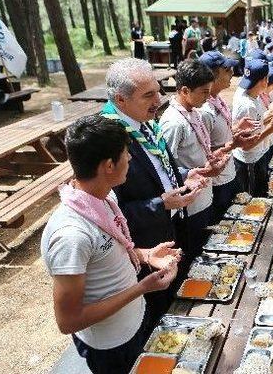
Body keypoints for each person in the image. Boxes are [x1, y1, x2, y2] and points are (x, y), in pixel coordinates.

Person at [41, 115, 181, 374]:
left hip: (134, 320)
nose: (130, 159)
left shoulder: (103, 198)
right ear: (108, 166)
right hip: (111, 344)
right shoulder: (71, 235)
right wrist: (141, 288)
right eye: (127, 154)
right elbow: (68, 320)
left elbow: (108, 253)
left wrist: (147, 254)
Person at [100, 58, 208, 330]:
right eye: (148, 95)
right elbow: (108, 213)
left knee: (174, 299)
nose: (159, 100)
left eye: (158, 90)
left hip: (171, 228)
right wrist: (158, 204)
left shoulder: (145, 121)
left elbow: (160, 168)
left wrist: (184, 176)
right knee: (155, 315)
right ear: (120, 100)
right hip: (144, 244)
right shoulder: (108, 137)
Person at [160, 60, 229, 255]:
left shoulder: (193, 113)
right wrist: (207, 170)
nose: (208, 98)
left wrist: (215, 158)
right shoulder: (173, 123)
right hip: (190, 206)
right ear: (184, 91)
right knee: (194, 257)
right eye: (204, 92)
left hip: (205, 197)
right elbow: (167, 169)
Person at [198, 51, 260, 216]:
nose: (233, 73)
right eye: (227, 69)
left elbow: (219, 137)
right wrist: (234, 144)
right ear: (212, 75)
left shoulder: (218, 100)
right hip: (218, 182)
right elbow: (204, 152)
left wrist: (236, 128)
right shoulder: (204, 110)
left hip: (229, 173)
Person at [232, 58, 273, 196]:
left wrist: (271, 115)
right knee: (254, 199)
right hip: (250, 160)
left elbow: (257, 122)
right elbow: (247, 145)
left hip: (258, 155)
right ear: (264, 81)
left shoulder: (253, 96)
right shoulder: (248, 105)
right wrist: (272, 128)